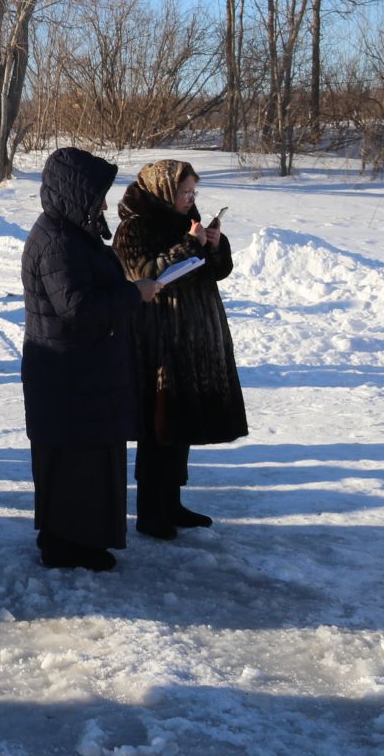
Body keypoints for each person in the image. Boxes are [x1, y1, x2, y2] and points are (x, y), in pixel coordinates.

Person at [20, 146, 159, 573]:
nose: (103, 203)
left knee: (87, 463)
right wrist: (135, 294)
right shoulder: (58, 241)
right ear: (74, 192)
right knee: (72, 466)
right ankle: (66, 546)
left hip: (82, 376)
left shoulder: (70, 233)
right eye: (97, 195)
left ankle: (81, 541)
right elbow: (78, 309)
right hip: (68, 377)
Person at [111, 160, 246, 540]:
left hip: (194, 341)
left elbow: (214, 272)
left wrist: (216, 248)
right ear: (164, 191)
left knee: (182, 424)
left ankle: (172, 503)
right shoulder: (134, 227)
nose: (191, 199)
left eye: (193, 193)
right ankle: (150, 511)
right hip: (159, 343)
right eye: (185, 192)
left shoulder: (189, 222)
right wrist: (189, 245)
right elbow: (143, 274)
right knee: (159, 428)